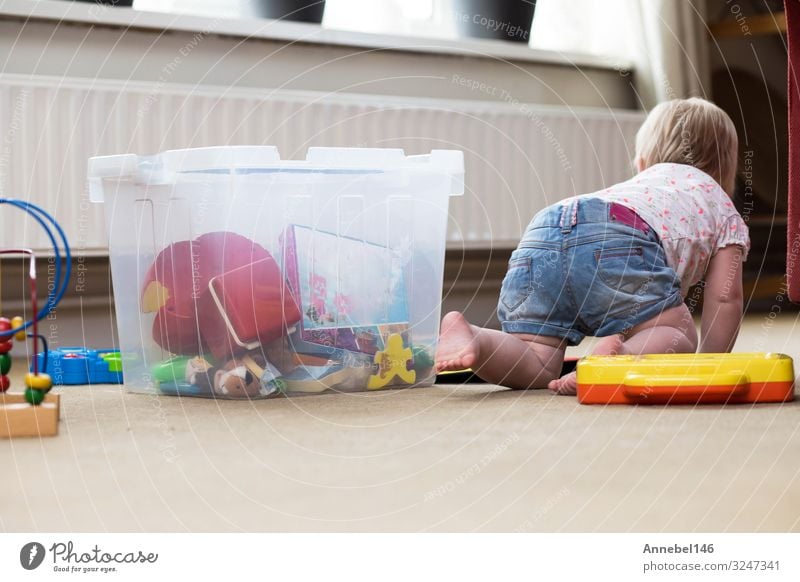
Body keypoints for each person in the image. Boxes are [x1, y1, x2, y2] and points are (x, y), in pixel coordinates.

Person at [435, 97, 750, 395]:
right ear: (725, 171)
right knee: (677, 334)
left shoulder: (640, 187)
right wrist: (710, 362)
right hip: (616, 235)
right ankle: (617, 358)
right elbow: (725, 297)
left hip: (544, 230)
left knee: (537, 359)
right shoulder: (720, 205)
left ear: (642, 163)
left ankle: (476, 340)